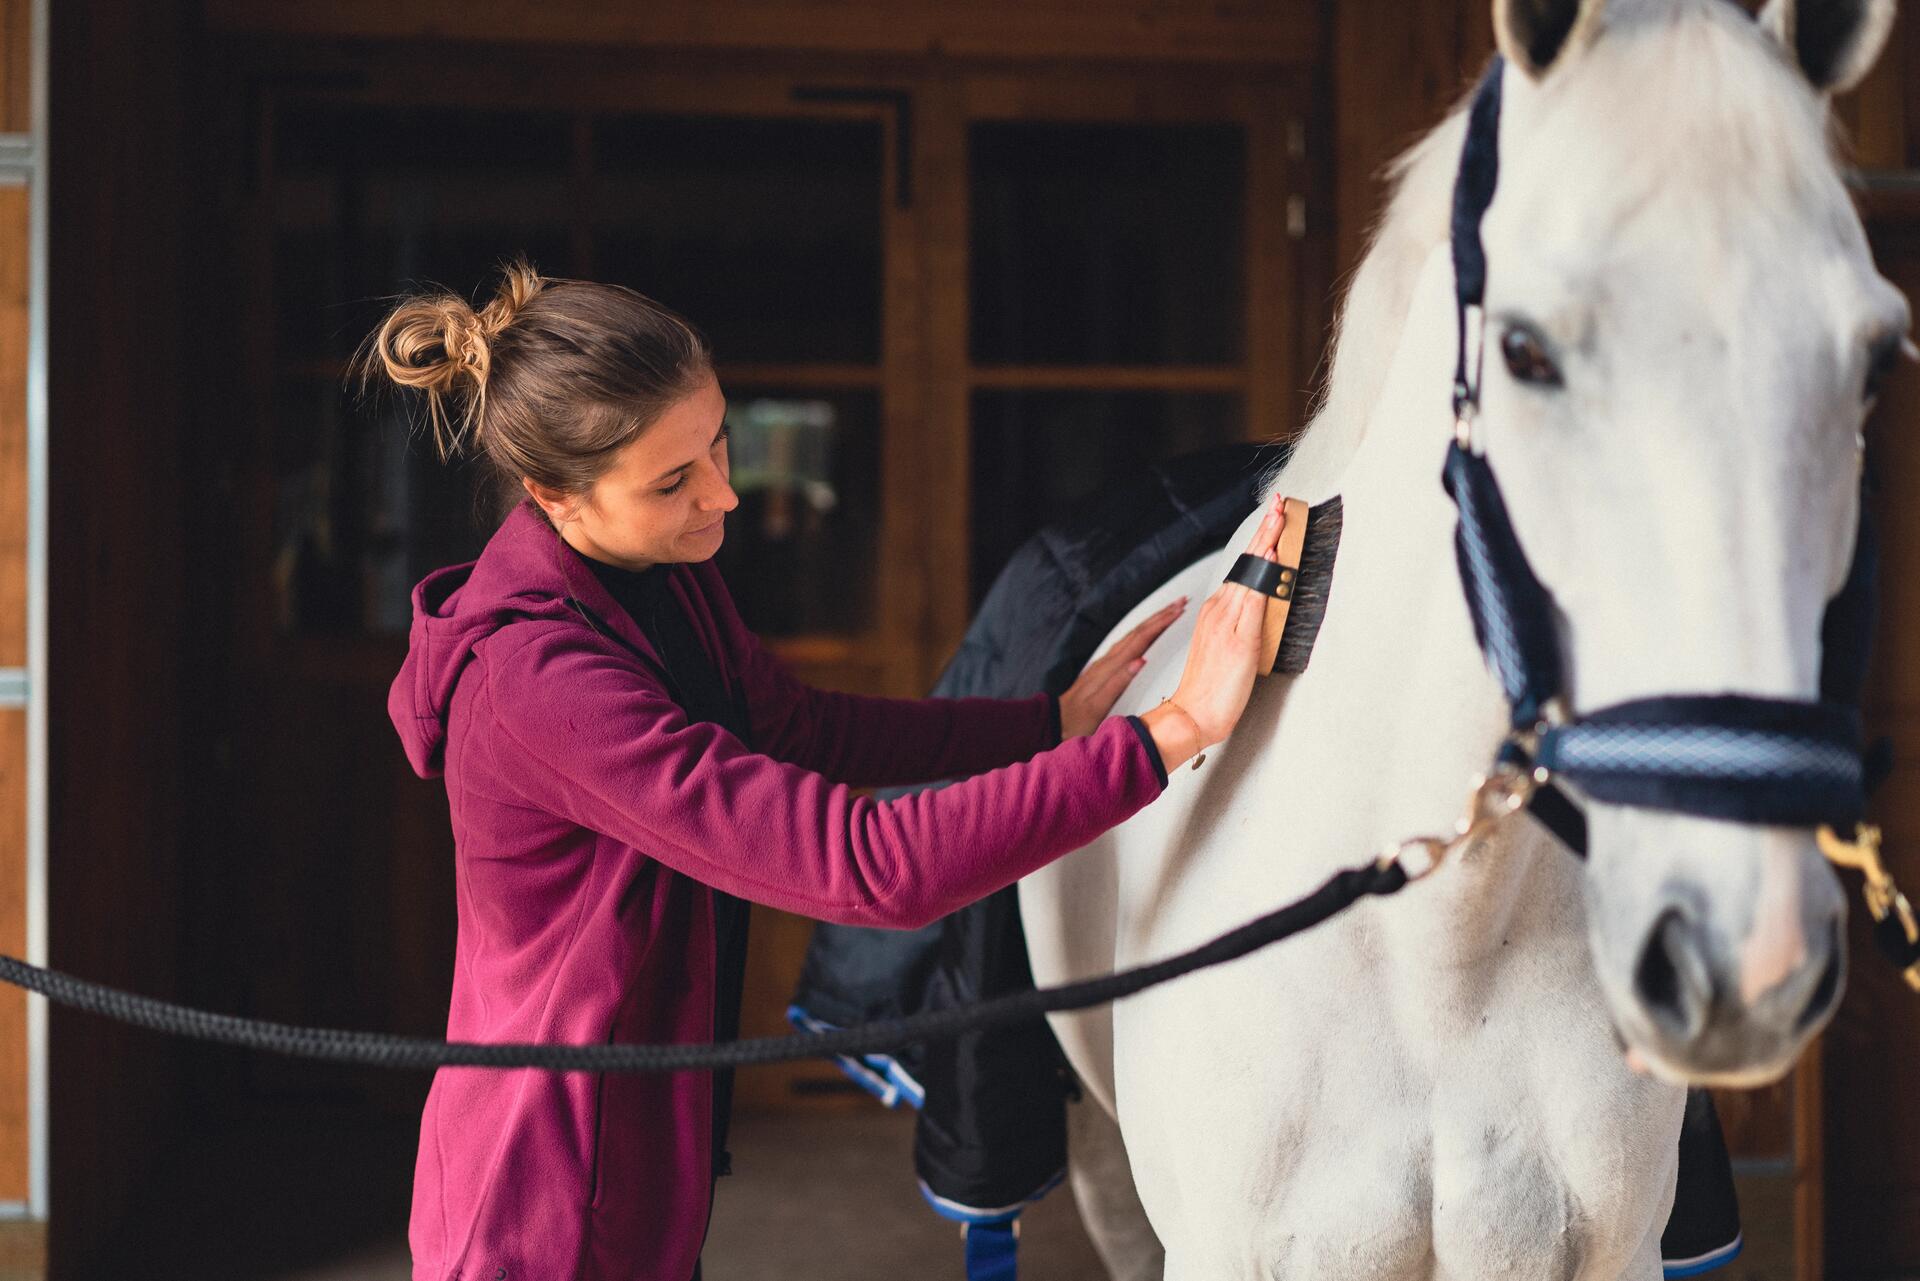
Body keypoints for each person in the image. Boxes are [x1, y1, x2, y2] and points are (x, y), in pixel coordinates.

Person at [355, 256, 1287, 1281]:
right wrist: (1174, 729)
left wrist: (1042, 723)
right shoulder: (540, 683)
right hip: (545, 1187)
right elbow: (867, 867)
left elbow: (794, 724)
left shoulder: (653, 575)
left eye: (718, 445)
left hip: (639, 1138)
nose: (723, 497)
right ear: (552, 496)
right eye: (672, 483)